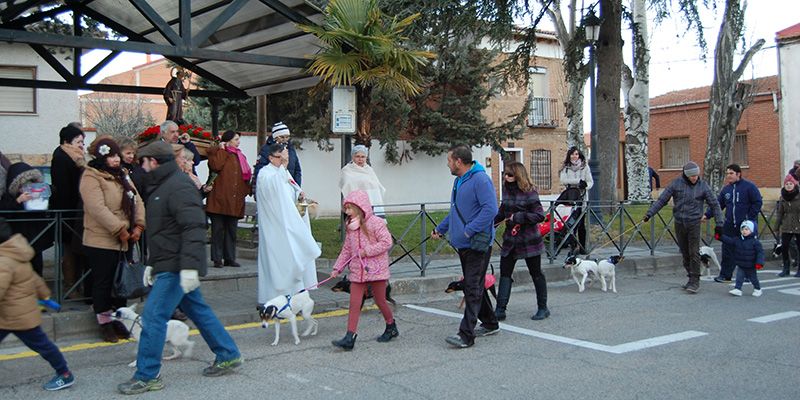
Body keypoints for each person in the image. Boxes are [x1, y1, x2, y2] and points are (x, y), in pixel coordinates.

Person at [118, 141, 242, 395]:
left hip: (176, 265)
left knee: (153, 317)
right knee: (198, 310)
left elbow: (193, 228)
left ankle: (147, 375)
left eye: (143, 162)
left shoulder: (178, 187)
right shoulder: (164, 186)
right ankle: (228, 354)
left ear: (154, 162)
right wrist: (151, 264)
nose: (141, 166)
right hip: (169, 262)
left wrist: (188, 268)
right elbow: (165, 231)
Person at [431, 144, 499, 348]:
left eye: (449, 161)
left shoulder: (480, 180)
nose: (448, 164)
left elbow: (491, 209)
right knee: (475, 284)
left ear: (458, 162)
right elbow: (456, 211)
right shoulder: (459, 180)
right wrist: (441, 228)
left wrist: (469, 230)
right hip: (464, 243)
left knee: (472, 286)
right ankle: (490, 322)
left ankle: (466, 335)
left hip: (477, 243)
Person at [79, 136, 145, 342]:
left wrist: (139, 225)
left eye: (117, 155)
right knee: (104, 283)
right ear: (101, 157)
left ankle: (119, 320)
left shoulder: (122, 175)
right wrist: (119, 229)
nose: (116, 159)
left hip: (125, 238)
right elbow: (97, 208)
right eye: (111, 156)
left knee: (121, 283)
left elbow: (137, 200)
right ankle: (105, 323)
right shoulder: (91, 176)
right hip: (101, 239)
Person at [0, 218, 75, 391]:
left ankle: (65, 374)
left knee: (43, 346)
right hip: (12, 314)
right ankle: (64, 373)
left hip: (18, 317)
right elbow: (34, 278)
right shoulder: (15, 253)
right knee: (43, 345)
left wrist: (45, 297)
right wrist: (45, 296)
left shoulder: (4, 261)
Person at [330, 190, 397, 350]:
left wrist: (366, 251)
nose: (347, 212)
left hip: (376, 270)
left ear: (360, 207)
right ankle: (350, 337)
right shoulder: (351, 226)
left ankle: (391, 325)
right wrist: (337, 267)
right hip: (357, 271)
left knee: (380, 301)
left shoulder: (376, 223)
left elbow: (387, 242)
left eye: (350, 208)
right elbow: (347, 249)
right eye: (346, 208)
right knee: (354, 303)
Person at [643, 161, 724, 293]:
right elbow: (662, 200)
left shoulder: (703, 186)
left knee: (694, 252)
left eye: (696, 175)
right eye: (692, 176)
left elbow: (714, 205)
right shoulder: (676, 184)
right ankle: (690, 276)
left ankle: (695, 281)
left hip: (694, 223)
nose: (695, 178)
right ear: (686, 175)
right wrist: (649, 214)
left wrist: (719, 223)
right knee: (685, 253)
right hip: (680, 222)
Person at [255, 143, 320, 304]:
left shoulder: (283, 172)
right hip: (274, 226)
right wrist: (283, 167)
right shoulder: (265, 174)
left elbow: (291, 189)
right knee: (278, 261)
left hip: (287, 224)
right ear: (271, 158)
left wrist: (299, 194)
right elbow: (273, 190)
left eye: (285, 158)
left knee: (293, 258)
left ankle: (294, 295)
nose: (284, 161)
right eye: (280, 158)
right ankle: (275, 297)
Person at [493, 162, 549, 321]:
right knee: (505, 273)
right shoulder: (507, 191)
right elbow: (502, 212)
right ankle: (500, 309)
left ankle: (543, 307)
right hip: (510, 240)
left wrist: (519, 217)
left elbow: (539, 215)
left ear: (518, 175)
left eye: (510, 174)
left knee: (536, 273)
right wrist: (490, 225)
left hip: (529, 240)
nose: (506, 177)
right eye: (505, 174)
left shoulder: (529, 192)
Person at [704, 164, 762, 283]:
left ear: (738, 174)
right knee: (727, 251)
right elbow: (718, 205)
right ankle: (725, 275)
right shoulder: (726, 190)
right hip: (730, 225)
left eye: (731, 173)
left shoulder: (749, 187)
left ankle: (748, 275)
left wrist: (749, 218)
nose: (728, 176)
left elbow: (757, 202)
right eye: (727, 174)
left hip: (745, 226)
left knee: (746, 251)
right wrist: (707, 215)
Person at [50, 125, 86, 299]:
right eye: (78, 142)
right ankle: (71, 286)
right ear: (67, 142)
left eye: (82, 142)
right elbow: (64, 189)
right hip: (68, 212)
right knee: (70, 251)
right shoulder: (62, 157)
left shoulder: (75, 157)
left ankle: (76, 285)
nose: (82, 145)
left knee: (75, 250)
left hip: (75, 211)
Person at [206, 130, 251, 268]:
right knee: (218, 231)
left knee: (231, 231)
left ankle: (230, 258)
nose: (238, 142)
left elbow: (244, 176)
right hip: (219, 200)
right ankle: (217, 258)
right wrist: (222, 149)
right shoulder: (218, 153)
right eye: (236, 139)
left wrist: (246, 191)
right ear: (228, 140)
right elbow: (216, 166)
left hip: (234, 200)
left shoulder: (240, 156)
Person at [0, 163, 54, 276]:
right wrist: (18, 201)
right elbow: (5, 212)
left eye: (31, 182)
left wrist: (42, 193)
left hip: (36, 239)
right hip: (18, 241)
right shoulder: (9, 197)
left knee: (37, 268)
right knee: (20, 272)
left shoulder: (37, 192)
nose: (27, 186)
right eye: (23, 184)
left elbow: (52, 194)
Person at [558, 147, 593, 254]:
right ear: (569, 155)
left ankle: (582, 247)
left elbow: (590, 182)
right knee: (571, 223)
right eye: (572, 154)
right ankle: (572, 246)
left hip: (581, 198)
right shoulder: (566, 167)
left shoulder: (585, 167)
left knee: (581, 224)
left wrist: (585, 185)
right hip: (570, 198)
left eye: (576, 154)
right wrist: (578, 181)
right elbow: (563, 180)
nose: (574, 156)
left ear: (579, 155)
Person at [340, 145, 387, 217]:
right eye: (357, 156)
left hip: (372, 201)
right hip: (355, 204)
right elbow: (347, 184)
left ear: (366, 158)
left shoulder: (369, 170)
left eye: (363, 157)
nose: (360, 159)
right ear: (353, 157)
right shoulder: (347, 170)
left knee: (373, 222)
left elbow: (377, 185)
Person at [720, 220, 764, 297]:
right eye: (742, 229)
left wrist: (759, 263)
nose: (744, 231)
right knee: (739, 277)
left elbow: (760, 253)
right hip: (741, 264)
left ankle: (757, 289)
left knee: (753, 278)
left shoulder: (755, 242)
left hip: (751, 265)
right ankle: (738, 289)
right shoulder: (738, 239)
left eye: (747, 229)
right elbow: (729, 241)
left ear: (752, 230)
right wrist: (720, 237)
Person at [254, 122, 302, 188]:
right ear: (275, 137)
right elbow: (260, 170)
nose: (285, 139)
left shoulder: (291, 149)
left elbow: (297, 170)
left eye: (287, 137)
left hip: (289, 187)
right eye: (282, 137)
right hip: (273, 187)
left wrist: (297, 187)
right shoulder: (266, 150)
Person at [775, 174, 800, 277]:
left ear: (794, 185)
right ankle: (786, 268)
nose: (789, 185)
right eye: (787, 184)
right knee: (784, 247)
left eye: (790, 184)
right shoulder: (783, 198)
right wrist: (777, 226)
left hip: (798, 224)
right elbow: (780, 213)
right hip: (787, 225)